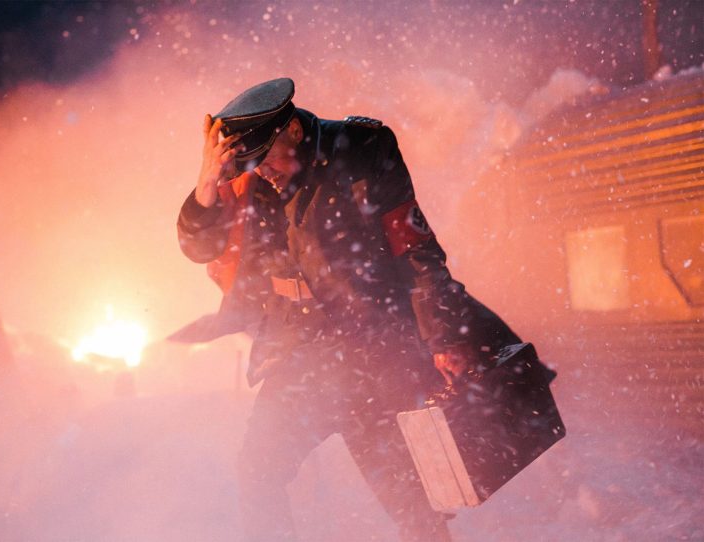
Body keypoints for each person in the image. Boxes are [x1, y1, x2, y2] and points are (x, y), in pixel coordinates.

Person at [175, 78, 521, 542]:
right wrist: (205, 186)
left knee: (409, 499)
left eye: (268, 158)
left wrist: (444, 339)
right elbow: (199, 247)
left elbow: (416, 252)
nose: (263, 173)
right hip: (298, 357)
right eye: (251, 164)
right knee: (257, 472)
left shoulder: (363, 149)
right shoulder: (247, 178)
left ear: (294, 131)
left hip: (373, 353)